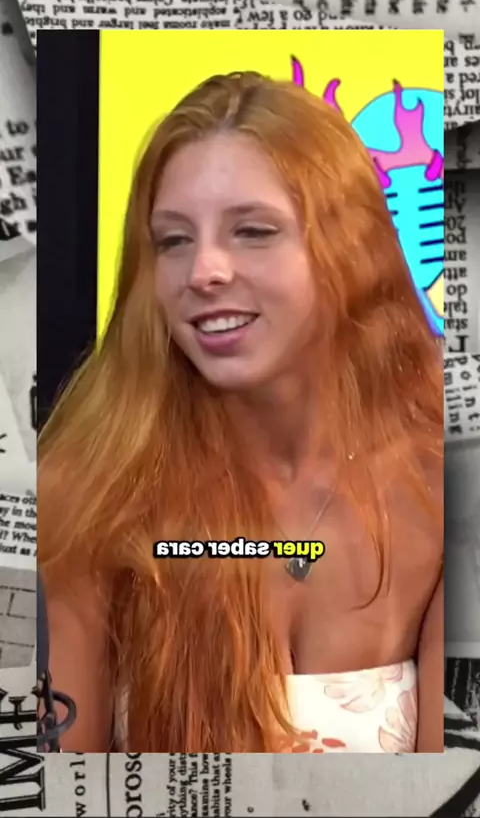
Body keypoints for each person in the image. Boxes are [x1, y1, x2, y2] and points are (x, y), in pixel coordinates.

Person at [38, 71, 444, 754]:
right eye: (172, 241)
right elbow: (51, 784)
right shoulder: (91, 488)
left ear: (349, 248)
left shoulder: (441, 485)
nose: (204, 271)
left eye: (253, 231)